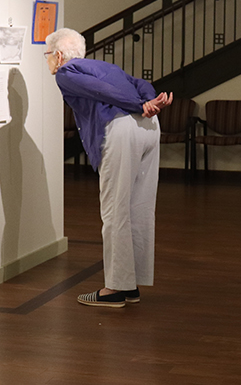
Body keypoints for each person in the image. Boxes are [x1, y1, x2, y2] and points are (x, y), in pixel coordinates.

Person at [45, 28, 171, 308]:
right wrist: (149, 103)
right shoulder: (104, 65)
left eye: (47, 55)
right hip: (149, 127)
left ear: (59, 54)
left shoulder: (67, 73)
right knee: (139, 207)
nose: (48, 62)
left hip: (123, 127)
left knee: (115, 209)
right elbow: (140, 82)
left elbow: (101, 91)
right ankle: (131, 285)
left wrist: (140, 104)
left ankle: (115, 289)